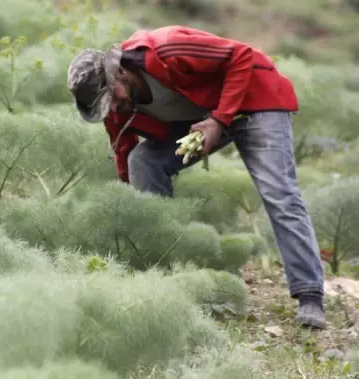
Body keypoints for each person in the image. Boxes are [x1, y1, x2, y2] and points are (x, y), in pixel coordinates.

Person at [66, 25, 326, 329]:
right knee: (143, 161)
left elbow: (240, 55)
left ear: (119, 74)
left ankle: (310, 294)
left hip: (254, 104)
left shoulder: (165, 48)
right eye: (105, 107)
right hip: (203, 119)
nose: (114, 108)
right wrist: (131, 213)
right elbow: (124, 152)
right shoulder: (119, 109)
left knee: (279, 193)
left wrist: (218, 119)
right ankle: (166, 274)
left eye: (113, 99)